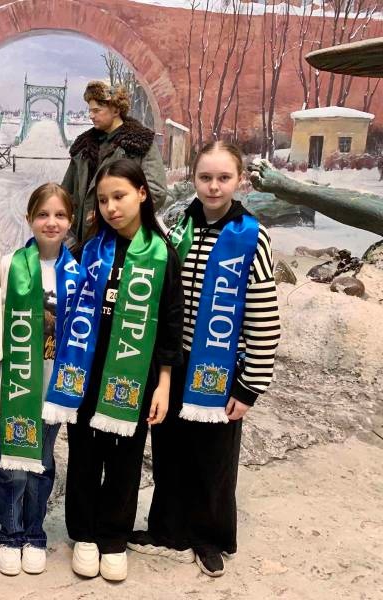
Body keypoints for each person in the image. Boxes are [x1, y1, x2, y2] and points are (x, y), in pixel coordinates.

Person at [129, 141, 281, 577]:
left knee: (213, 458)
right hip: (174, 365)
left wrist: (250, 387)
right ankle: (168, 529)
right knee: (170, 450)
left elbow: (264, 318)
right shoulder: (179, 226)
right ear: (193, 178)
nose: (214, 186)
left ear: (240, 180)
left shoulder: (252, 236)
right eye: (205, 177)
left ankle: (209, 537)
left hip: (218, 367)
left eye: (223, 178)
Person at [48, 159, 183, 581]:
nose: (111, 207)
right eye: (103, 200)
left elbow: (172, 322)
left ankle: (114, 537)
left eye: (119, 196)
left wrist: (163, 384)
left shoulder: (162, 254)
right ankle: (84, 535)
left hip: (134, 376)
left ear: (142, 193)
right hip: (86, 373)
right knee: (84, 457)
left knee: (125, 459)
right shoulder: (90, 250)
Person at [0, 183, 79, 576]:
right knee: (9, 466)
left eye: (59, 215)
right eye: (43, 214)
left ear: (70, 221)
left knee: (41, 463)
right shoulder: (9, 265)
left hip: (51, 388)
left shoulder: (77, 274)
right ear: (29, 219)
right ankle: (10, 534)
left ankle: (34, 533)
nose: (51, 222)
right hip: (11, 385)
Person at [62, 81, 167, 247]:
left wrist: (111, 216)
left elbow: (155, 192)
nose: (91, 116)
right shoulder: (82, 147)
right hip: (81, 244)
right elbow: (65, 195)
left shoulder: (141, 144)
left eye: (97, 110)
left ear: (116, 110)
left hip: (121, 243)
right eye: (90, 110)